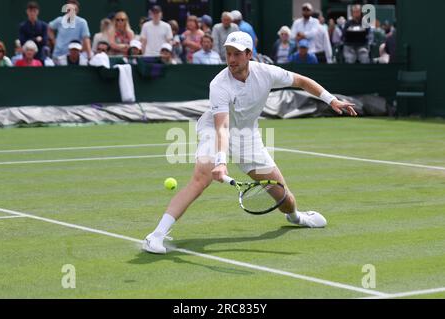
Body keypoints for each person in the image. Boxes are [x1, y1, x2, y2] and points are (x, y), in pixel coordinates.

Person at [143, 31, 357, 254]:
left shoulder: (266, 73)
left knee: (283, 196)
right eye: (228, 54)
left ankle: (296, 217)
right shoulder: (219, 84)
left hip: (248, 137)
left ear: (249, 54)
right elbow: (222, 127)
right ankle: (155, 236)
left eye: (236, 54)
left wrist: (331, 100)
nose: (232, 60)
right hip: (215, 130)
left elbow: (302, 81)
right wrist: (221, 161)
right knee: (200, 179)